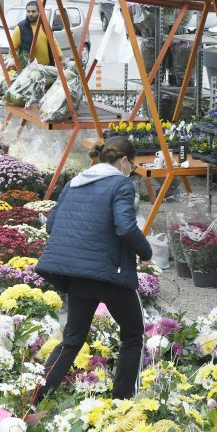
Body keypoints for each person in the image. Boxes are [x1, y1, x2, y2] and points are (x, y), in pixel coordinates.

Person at [32, 136, 152, 404]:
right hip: (110, 274)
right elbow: (125, 226)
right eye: (132, 165)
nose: (131, 171)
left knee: (72, 340)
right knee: (133, 335)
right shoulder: (121, 183)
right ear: (123, 162)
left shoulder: (75, 182)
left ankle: (37, 396)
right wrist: (145, 252)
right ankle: (122, 401)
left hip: (76, 276)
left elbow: (52, 225)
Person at [11, 0, 63, 66]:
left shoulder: (45, 25)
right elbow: (12, 49)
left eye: (33, 11)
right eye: (28, 11)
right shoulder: (20, 28)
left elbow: (53, 42)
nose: (30, 14)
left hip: (47, 68)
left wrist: (61, 58)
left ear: (39, 12)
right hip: (29, 70)